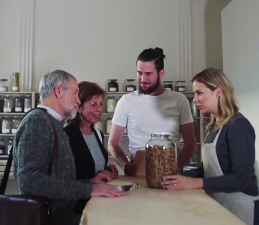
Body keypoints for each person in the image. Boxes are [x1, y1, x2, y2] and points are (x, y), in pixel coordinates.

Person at [14, 70, 124, 225]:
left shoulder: (52, 123)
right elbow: (30, 181)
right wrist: (88, 190)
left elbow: (59, 180)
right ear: (59, 91)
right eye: (75, 93)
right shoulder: (38, 121)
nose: (78, 100)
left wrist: (89, 182)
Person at [160, 68, 259, 225]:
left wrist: (195, 183)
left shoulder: (238, 126)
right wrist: (177, 175)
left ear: (218, 92)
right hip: (221, 206)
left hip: (243, 209)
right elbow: (207, 170)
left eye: (199, 93)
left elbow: (242, 178)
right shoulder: (214, 126)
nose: (195, 99)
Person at [108, 47, 196, 176]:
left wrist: (177, 167)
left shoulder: (179, 100)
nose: (142, 78)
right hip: (138, 170)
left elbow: (190, 142)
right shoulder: (125, 101)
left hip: (169, 170)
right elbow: (113, 143)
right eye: (139, 73)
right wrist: (125, 164)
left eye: (148, 74)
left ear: (161, 73)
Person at [64, 81, 119, 214]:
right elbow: (63, 181)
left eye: (100, 104)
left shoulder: (97, 134)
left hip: (97, 203)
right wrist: (90, 182)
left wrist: (106, 170)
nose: (99, 109)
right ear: (79, 107)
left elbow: (91, 167)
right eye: (93, 104)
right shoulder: (67, 136)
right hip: (75, 209)